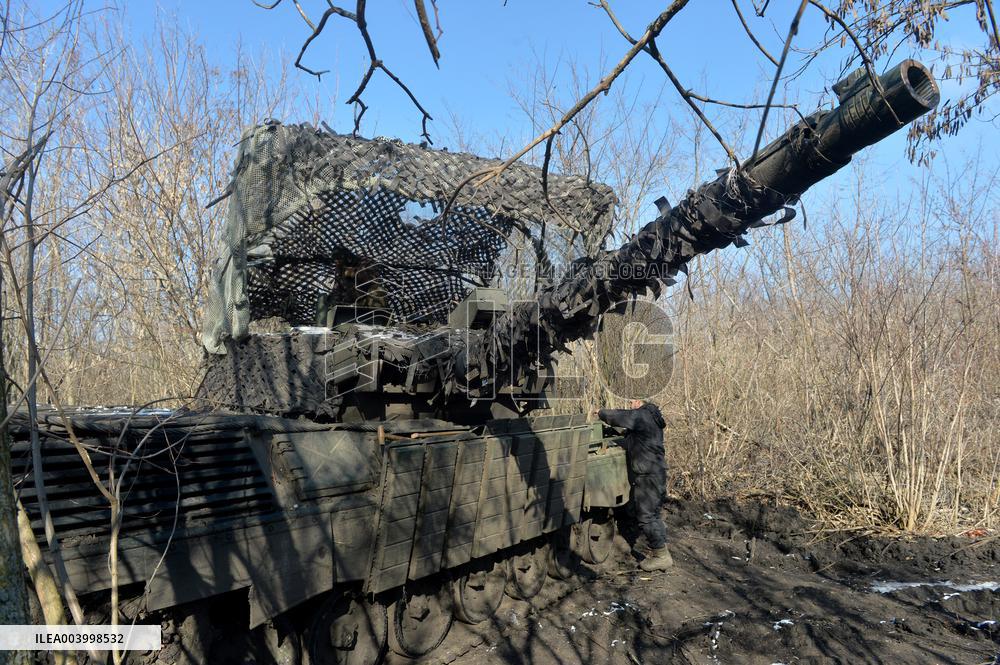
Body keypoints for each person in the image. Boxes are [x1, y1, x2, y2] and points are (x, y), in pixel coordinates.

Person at [594, 399, 673, 572]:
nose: (630, 403)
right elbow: (632, 439)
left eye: (633, 401)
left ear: (640, 402)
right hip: (655, 473)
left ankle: (662, 556)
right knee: (652, 514)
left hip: (649, 475)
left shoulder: (643, 416)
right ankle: (661, 550)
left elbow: (624, 416)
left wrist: (601, 413)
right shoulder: (651, 418)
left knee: (646, 517)